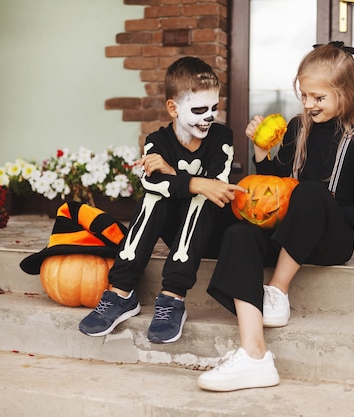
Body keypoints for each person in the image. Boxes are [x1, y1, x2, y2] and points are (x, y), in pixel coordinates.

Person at [198, 42, 354, 392]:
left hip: (330, 241)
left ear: (344, 95)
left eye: (318, 98)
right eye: (305, 96)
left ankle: (278, 291)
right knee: (239, 233)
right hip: (287, 236)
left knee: (309, 192)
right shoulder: (298, 129)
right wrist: (261, 152)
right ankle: (254, 356)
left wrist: (317, 207)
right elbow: (274, 184)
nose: (309, 105)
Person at [79, 56, 244, 344]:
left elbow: (218, 186)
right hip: (172, 227)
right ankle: (121, 292)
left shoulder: (221, 137)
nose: (209, 117)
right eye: (200, 109)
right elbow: (150, 180)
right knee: (154, 196)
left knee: (202, 196)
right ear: (173, 108)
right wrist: (193, 181)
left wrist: (176, 175)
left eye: (214, 108)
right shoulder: (157, 140)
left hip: (211, 231)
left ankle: (172, 296)